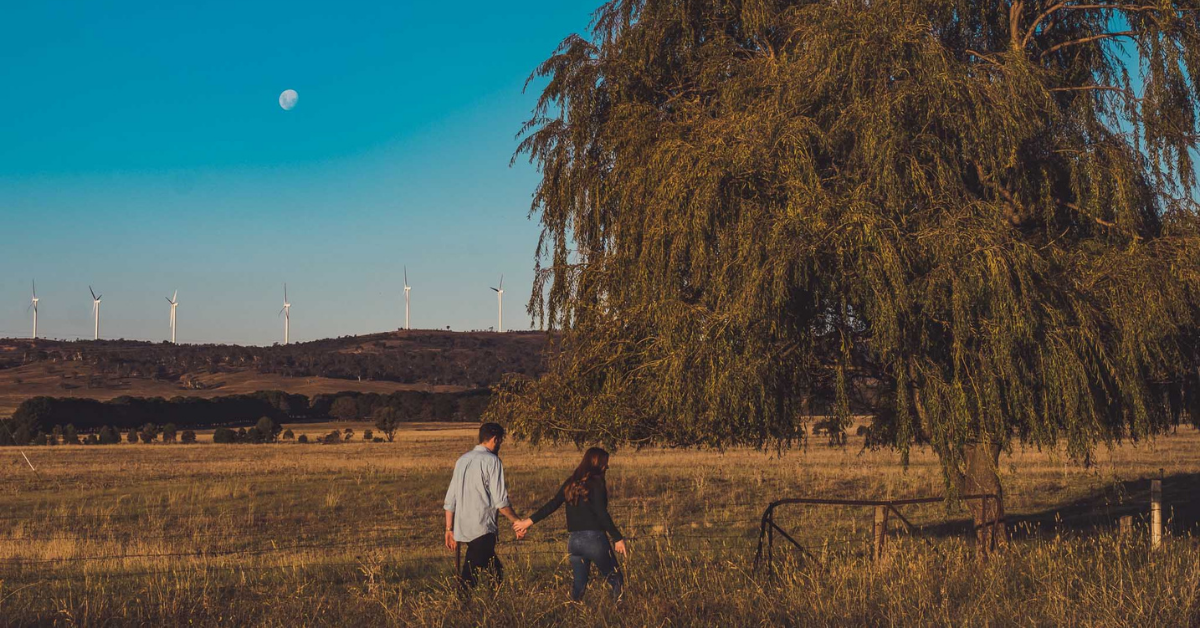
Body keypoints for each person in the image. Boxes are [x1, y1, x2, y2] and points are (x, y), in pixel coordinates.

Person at [513, 447, 627, 602]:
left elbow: (552, 504)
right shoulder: (597, 483)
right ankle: (619, 613)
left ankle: (573, 612)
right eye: (604, 463)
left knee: (579, 587)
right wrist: (617, 538)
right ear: (596, 463)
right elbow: (602, 513)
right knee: (616, 580)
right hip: (594, 539)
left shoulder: (571, 483)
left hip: (574, 542)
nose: (607, 467)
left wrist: (528, 522)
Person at [443, 422, 523, 591]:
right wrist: (517, 522)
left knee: (496, 572)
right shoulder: (492, 461)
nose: (500, 445)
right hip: (482, 527)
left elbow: (450, 499)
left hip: (463, 528)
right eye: (500, 441)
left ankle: (491, 608)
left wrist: (449, 529)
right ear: (495, 439)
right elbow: (500, 501)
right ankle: (463, 610)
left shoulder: (462, 460)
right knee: (470, 576)